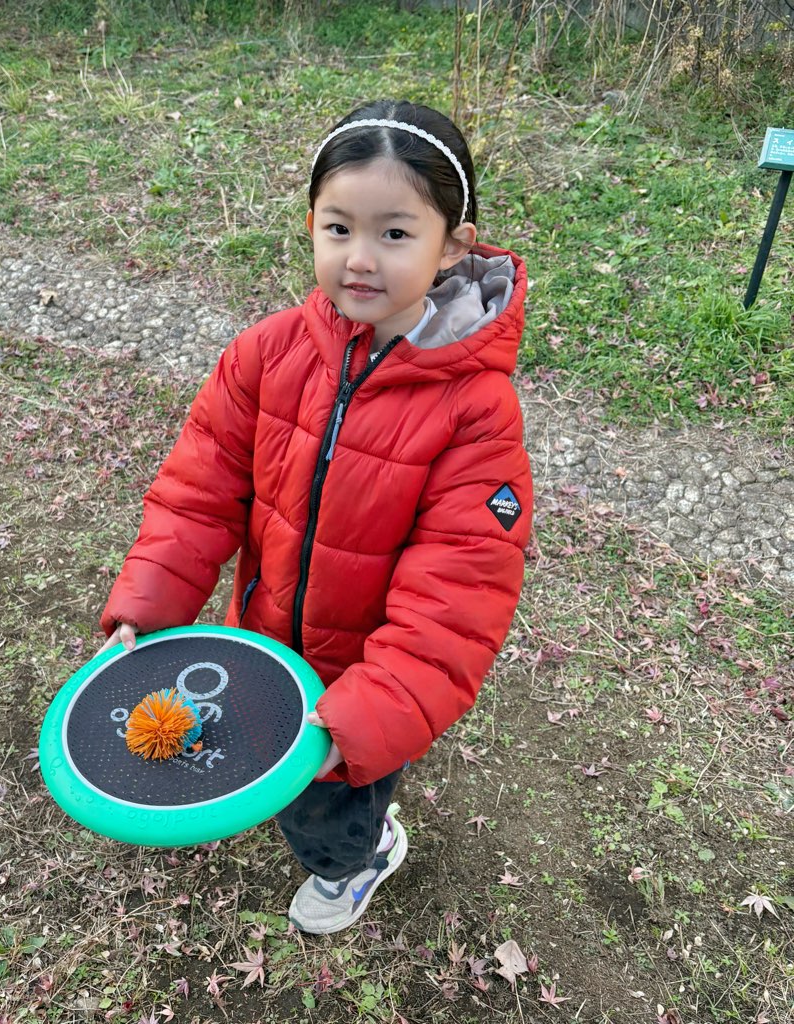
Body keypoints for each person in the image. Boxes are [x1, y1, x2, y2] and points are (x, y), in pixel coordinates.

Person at [99, 99, 532, 935]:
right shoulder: (265, 353)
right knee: (265, 771)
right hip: (261, 648)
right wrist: (146, 617)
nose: (359, 259)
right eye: (338, 228)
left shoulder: (477, 412)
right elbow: (197, 492)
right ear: (311, 225)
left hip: (358, 685)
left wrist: (361, 721)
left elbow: (457, 597)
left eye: (396, 234)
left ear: (456, 243)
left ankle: (359, 860)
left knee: (329, 814)